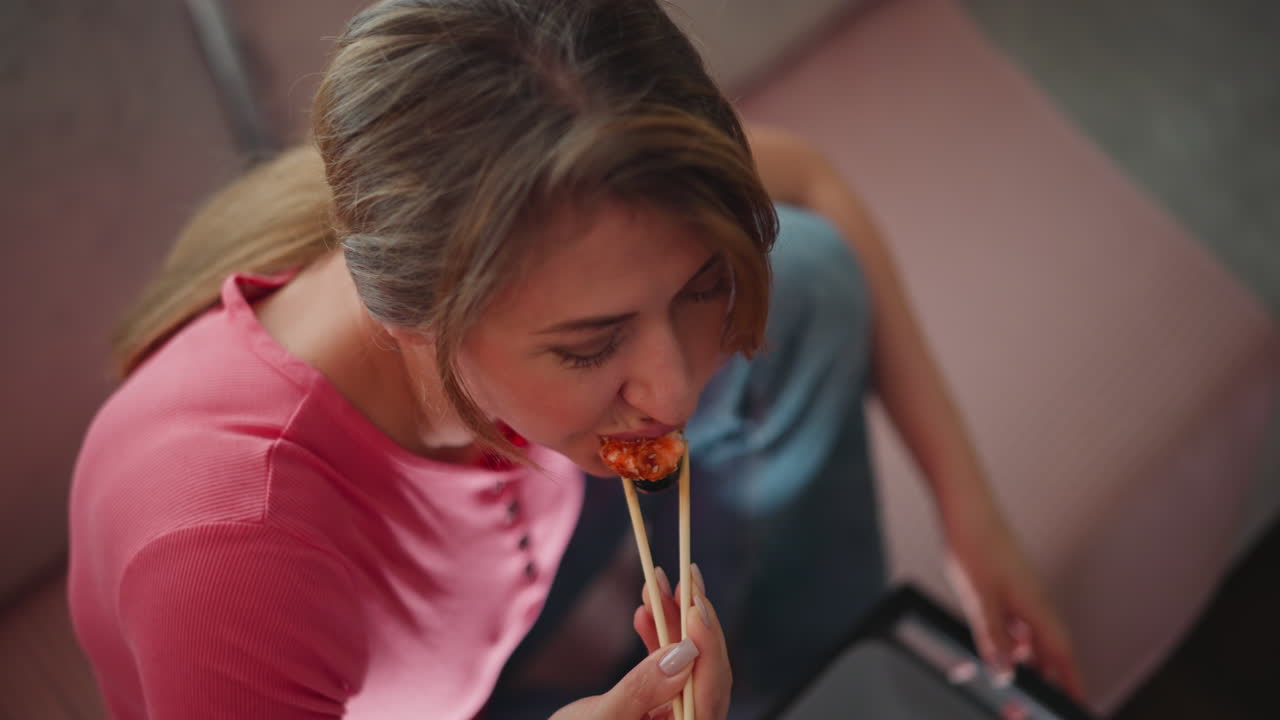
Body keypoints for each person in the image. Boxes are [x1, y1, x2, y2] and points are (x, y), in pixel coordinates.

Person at [67, 0, 1082, 718]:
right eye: (589, 343)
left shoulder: (546, 214)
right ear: (415, 314)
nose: (677, 391)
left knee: (802, 276)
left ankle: (810, 671)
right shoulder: (230, 551)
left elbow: (807, 177)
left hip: (514, 539)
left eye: (693, 293)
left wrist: (971, 518)